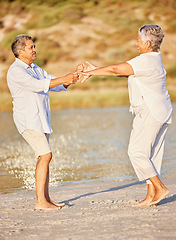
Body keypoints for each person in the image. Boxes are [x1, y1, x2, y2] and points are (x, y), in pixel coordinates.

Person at [79, 24, 172, 206]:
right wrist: (96, 69)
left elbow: (115, 70)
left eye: (138, 40)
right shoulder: (152, 59)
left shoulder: (145, 60)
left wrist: (90, 72)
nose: (136, 44)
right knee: (150, 156)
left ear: (146, 43)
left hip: (150, 111)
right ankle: (151, 196)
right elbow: (126, 73)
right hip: (161, 110)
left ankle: (160, 188)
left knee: (136, 152)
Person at [7, 34, 80, 210]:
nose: (34, 50)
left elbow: (53, 84)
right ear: (20, 51)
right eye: (31, 47)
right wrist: (64, 78)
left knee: (44, 156)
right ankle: (40, 202)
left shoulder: (35, 68)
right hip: (28, 120)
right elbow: (38, 85)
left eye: (34, 46)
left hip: (40, 120)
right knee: (45, 155)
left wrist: (74, 77)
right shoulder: (16, 70)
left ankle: (46, 199)